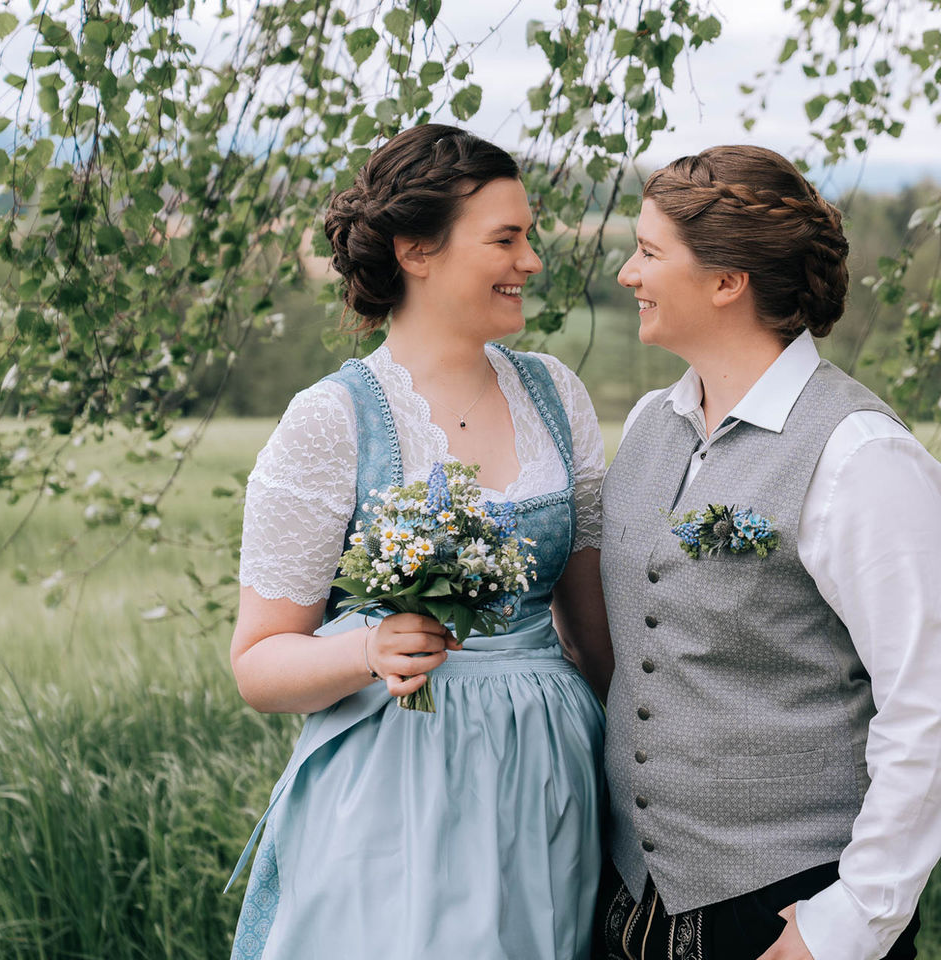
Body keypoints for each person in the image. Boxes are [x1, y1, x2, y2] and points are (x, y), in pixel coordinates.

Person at [225, 123, 613, 960]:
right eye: (506, 239)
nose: (532, 261)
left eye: (530, 237)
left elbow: (594, 633)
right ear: (416, 251)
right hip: (393, 792)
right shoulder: (332, 422)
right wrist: (370, 647)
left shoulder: (557, 394)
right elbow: (259, 664)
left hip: (552, 778)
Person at [593, 145, 941, 960]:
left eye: (650, 252)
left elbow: (929, 710)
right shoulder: (646, 430)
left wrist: (848, 925)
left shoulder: (862, 456)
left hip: (788, 912)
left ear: (728, 281)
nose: (629, 273)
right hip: (633, 901)